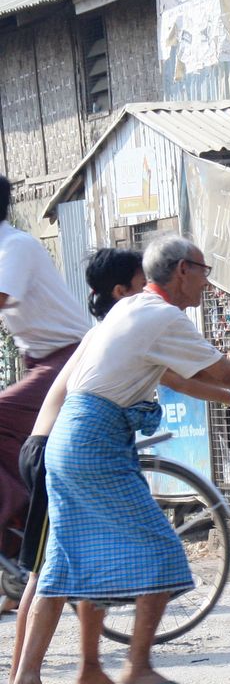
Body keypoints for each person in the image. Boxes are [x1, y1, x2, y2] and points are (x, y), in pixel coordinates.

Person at [4, 235, 230, 684]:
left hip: (69, 442)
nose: (206, 281)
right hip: (94, 443)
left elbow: (185, 378)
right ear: (181, 271)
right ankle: (137, 670)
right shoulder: (159, 314)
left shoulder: (129, 314)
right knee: (161, 551)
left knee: (62, 569)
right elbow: (226, 370)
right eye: (204, 270)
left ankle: (27, 683)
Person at [0, 175, 89, 609]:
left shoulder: (14, 246)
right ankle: (15, 555)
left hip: (67, 358)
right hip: (43, 361)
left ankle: (21, 520)